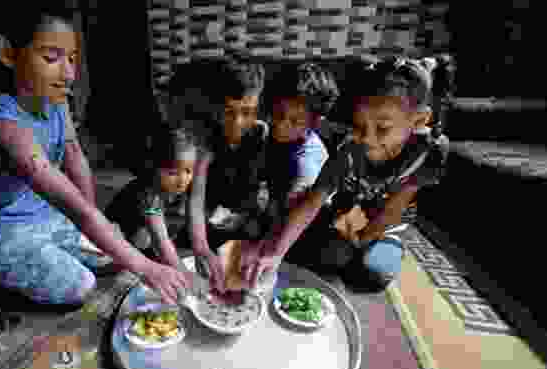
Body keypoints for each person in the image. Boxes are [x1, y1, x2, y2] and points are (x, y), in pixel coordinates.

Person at [0, 5, 189, 305]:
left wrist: (96, 221)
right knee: (79, 286)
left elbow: (73, 152)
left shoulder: (55, 103)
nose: (68, 74)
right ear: (7, 53)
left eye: (72, 59)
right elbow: (78, 211)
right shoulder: (1, 126)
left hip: (36, 213)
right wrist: (145, 266)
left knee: (112, 252)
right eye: (51, 58)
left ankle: (45, 251)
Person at [240, 56, 452, 292]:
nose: (369, 139)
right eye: (361, 127)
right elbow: (311, 204)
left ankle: (378, 249)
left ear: (419, 120)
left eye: (382, 129)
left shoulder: (430, 153)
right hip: (346, 216)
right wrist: (276, 254)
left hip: (386, 225)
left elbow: (392, 210)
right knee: (309, 247)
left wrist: (359, 241)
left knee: (372, 273)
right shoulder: (348, 151)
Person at [167, 56, 269, 294]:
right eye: (229, 111)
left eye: (247, 111)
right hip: (209, 212)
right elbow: (195, 195)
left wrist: (251, 218)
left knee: (246, 264)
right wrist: (201, 247)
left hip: (245, 215)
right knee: (192, 257)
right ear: (216, 107)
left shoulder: (261, 134)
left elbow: (264, 191)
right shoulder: (205, 138)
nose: (238, 121)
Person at [104, 123, 200, 273]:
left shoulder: (183, 189)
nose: (182, 180)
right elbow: (161, 241)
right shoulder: (148, 195)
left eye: (188, 171)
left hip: (145, 237)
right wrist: (184, 274)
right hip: (115, 243)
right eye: (173, 173)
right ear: (153, 167)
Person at [263, 62, 341, 224]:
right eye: (278, 114)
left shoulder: (305, 164)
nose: (281, 125)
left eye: (294, 121)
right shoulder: (276, 137)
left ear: (314, 123)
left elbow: (292, 221)